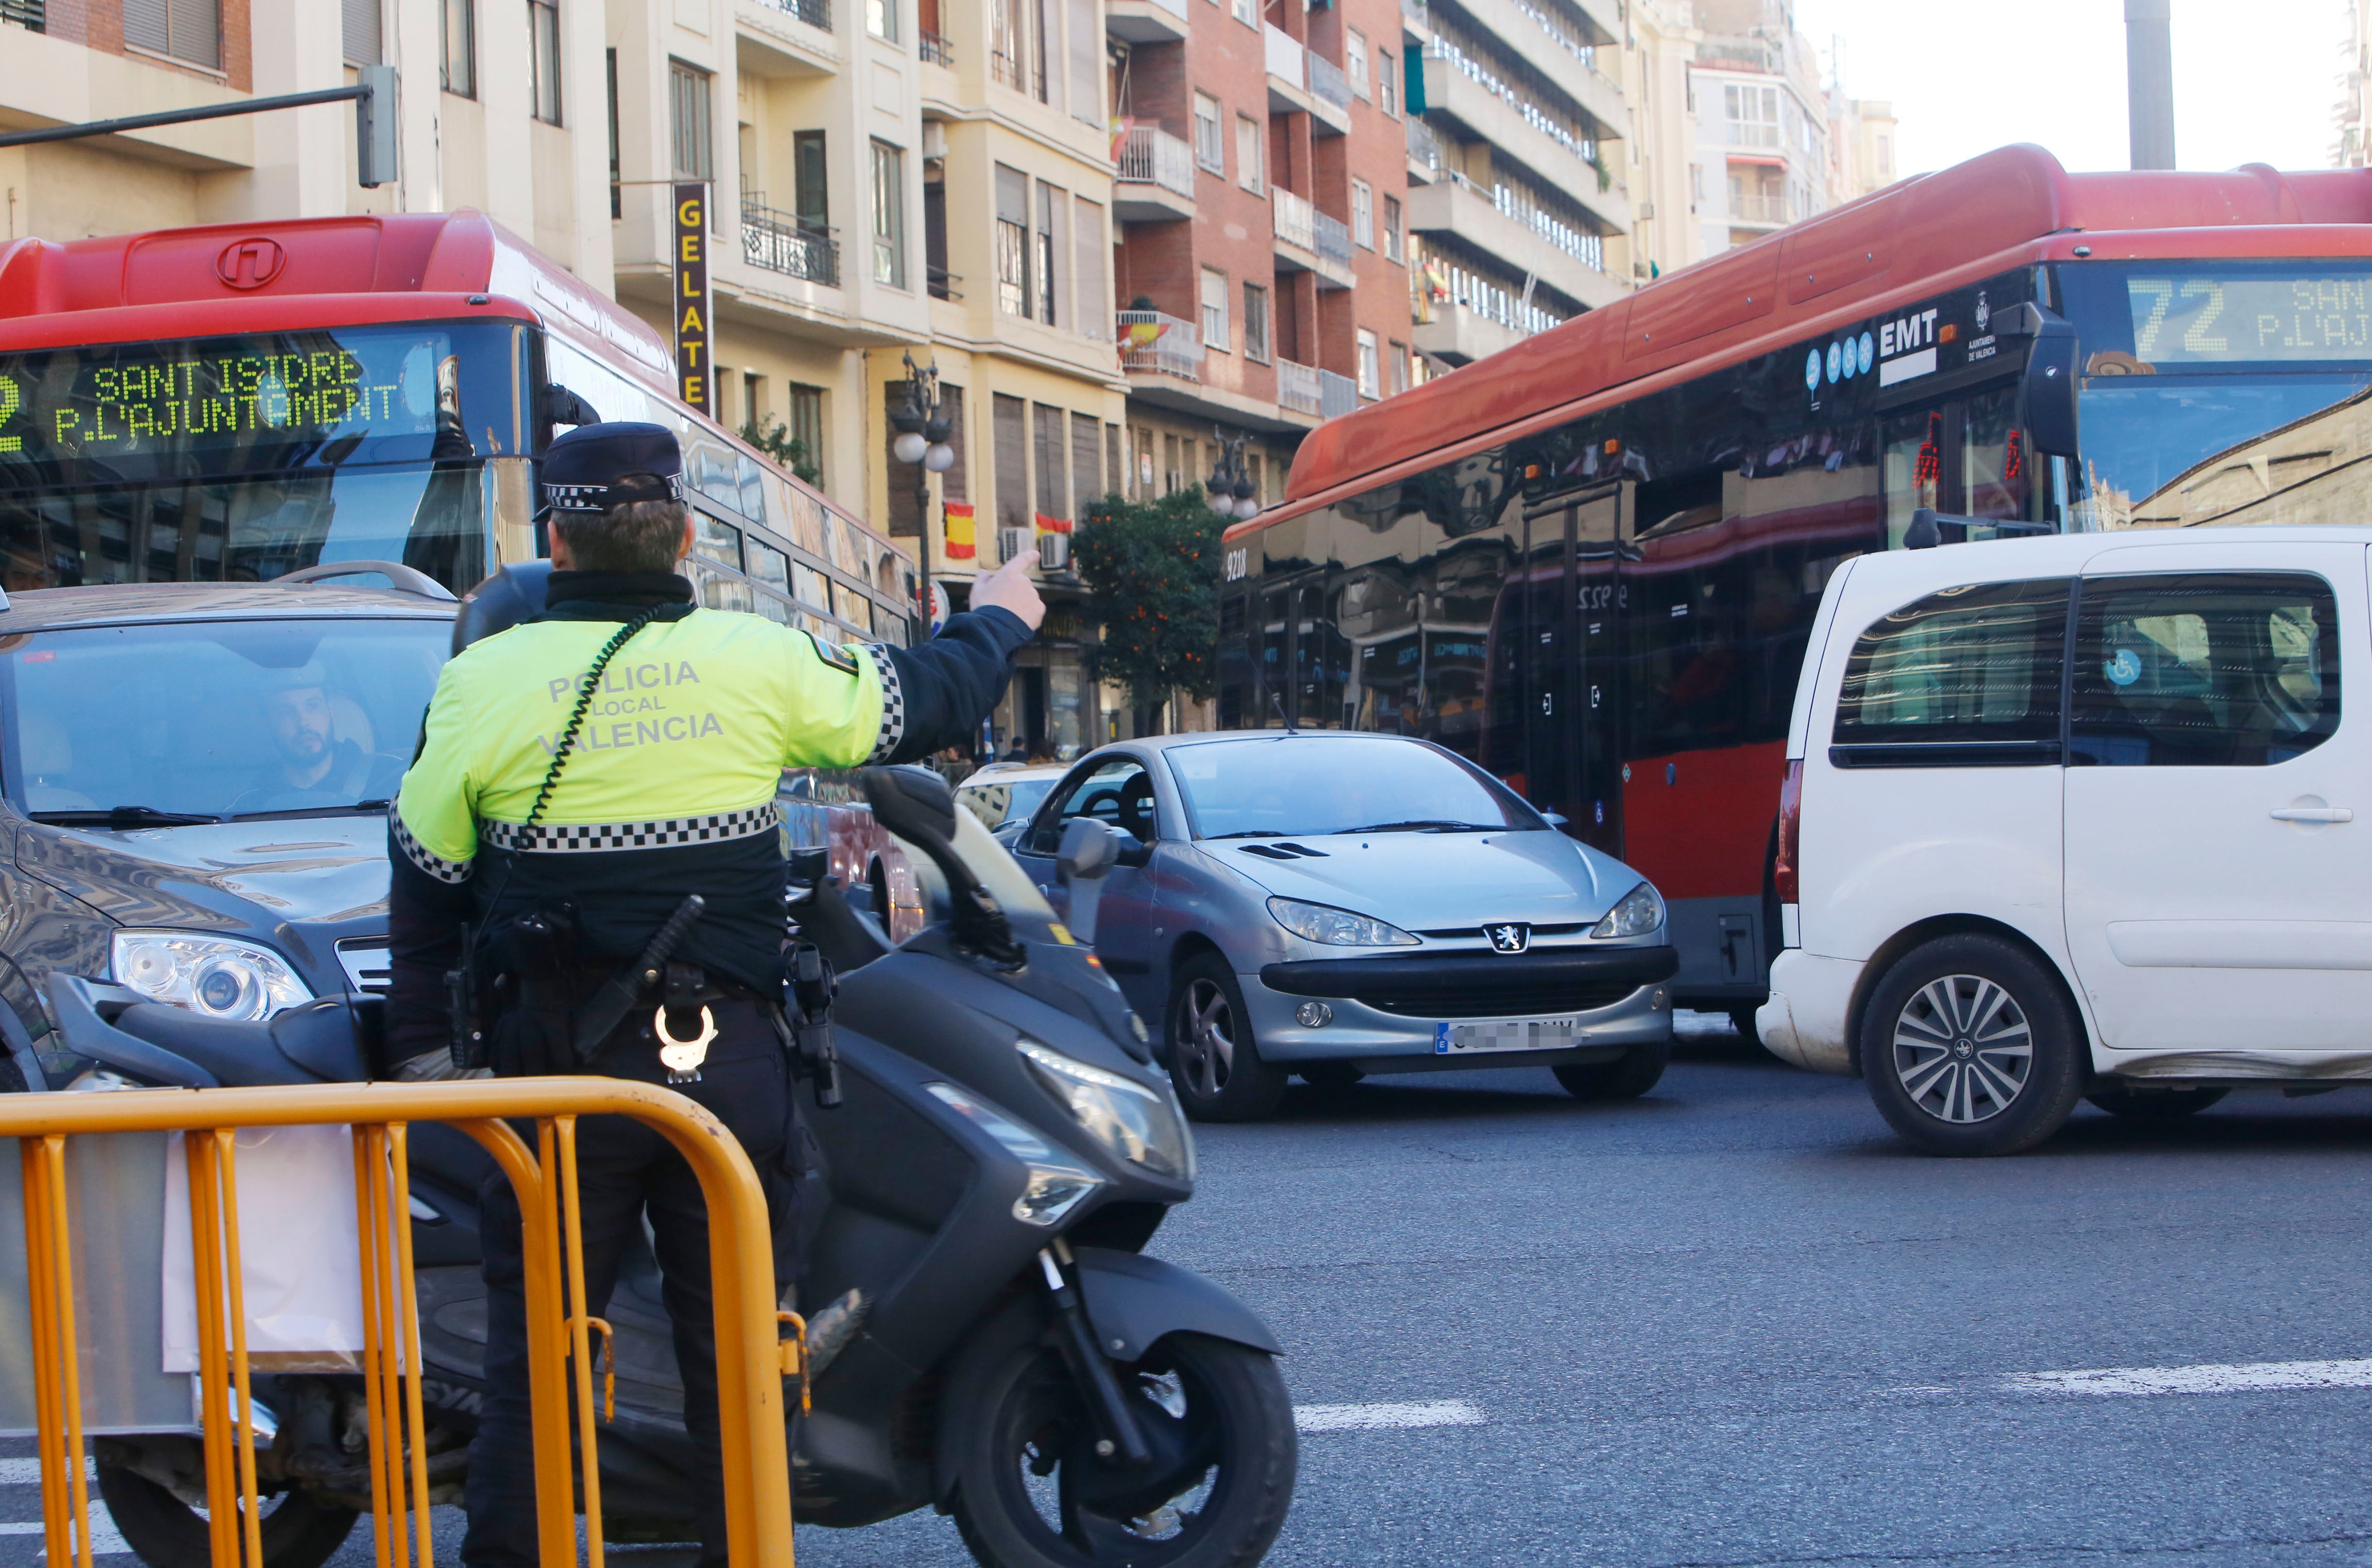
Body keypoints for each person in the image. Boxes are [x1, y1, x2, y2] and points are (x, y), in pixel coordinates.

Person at [382, 421, 1042, 1568]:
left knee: (533, 1368)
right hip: (721, 1069)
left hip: (554, 1076)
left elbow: (426, 876)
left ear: (557, 540)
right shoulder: (757, 658)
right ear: (685, 533)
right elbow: (929, 699)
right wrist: (1000, 615)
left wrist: (425, 1062)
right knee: (736, 1357)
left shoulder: (480, 678)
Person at [229, 667, 404, 814]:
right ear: (269, 724)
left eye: (313, 706)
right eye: (286, 712)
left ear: (330, 711)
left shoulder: (395, 779)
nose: (303, 722)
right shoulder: (249, 807)